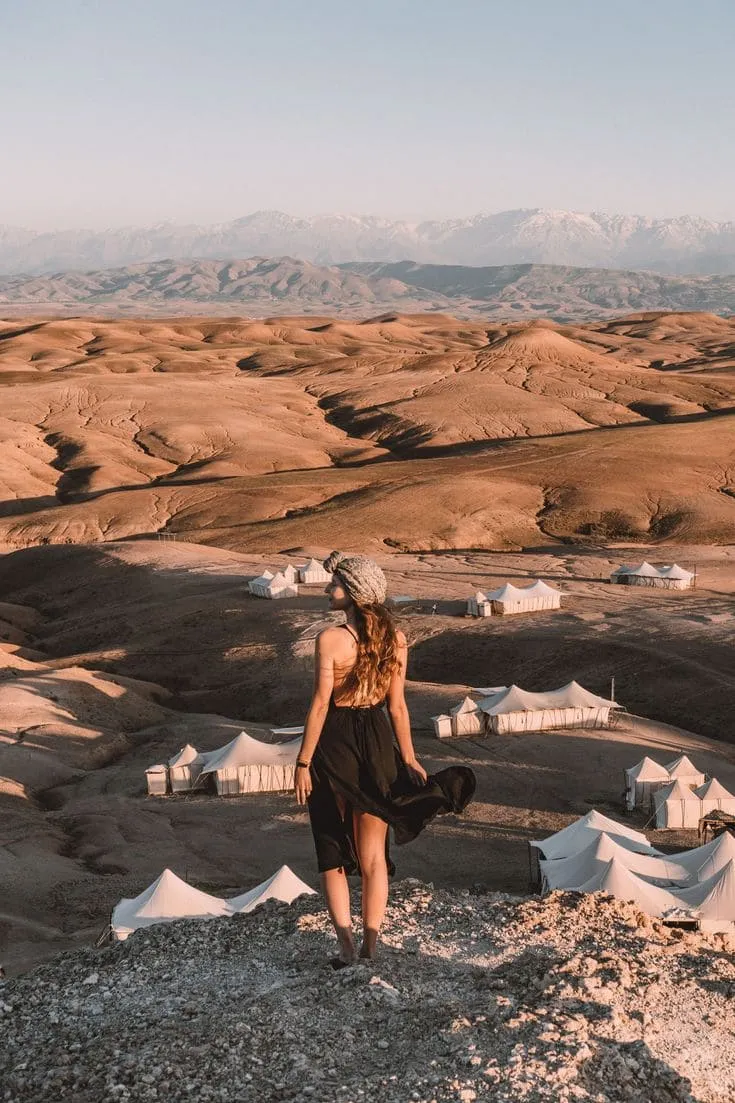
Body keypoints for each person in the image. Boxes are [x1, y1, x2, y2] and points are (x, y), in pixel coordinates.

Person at [294, 550, 476, 967]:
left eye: (335, 583)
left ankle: (345, 949)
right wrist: (408, 758)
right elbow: (398, 708)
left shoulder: (330, 639)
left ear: (355, 593)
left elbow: (321, 705)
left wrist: (303, 762)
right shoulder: (395, 639)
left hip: (334, 745)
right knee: (373, 856)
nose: (327, 589)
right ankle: (371, 947)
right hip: (378, 745)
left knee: (332, 849)